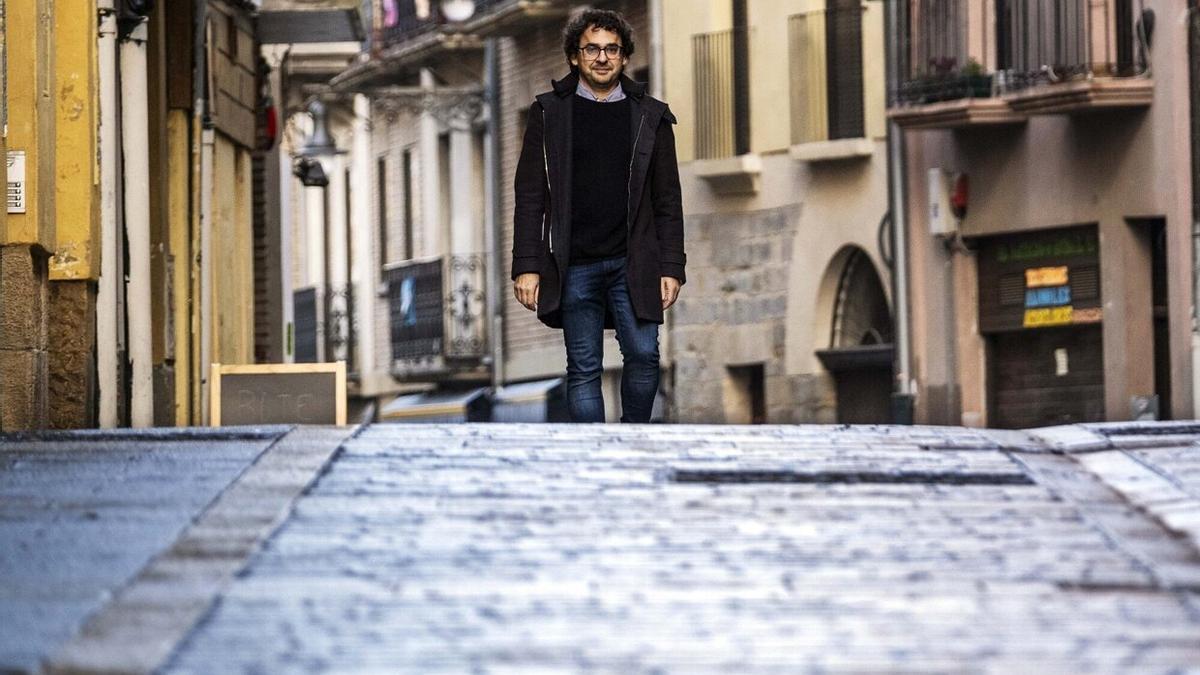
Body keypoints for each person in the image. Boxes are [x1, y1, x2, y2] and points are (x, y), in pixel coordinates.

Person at [511, 8, 685, 423]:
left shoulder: (651, 116)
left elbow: (668, 200)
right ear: (575, 56)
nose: (602, 57)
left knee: (644, 356)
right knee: (584, 368)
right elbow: (530, 195)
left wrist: (671, 266)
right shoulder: (548, 113)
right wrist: (527, 265)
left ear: (624, 57)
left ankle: (632, 437)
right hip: (574, 265)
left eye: (612, 49)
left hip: (634, 261)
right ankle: (595, 449)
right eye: (592, 49)